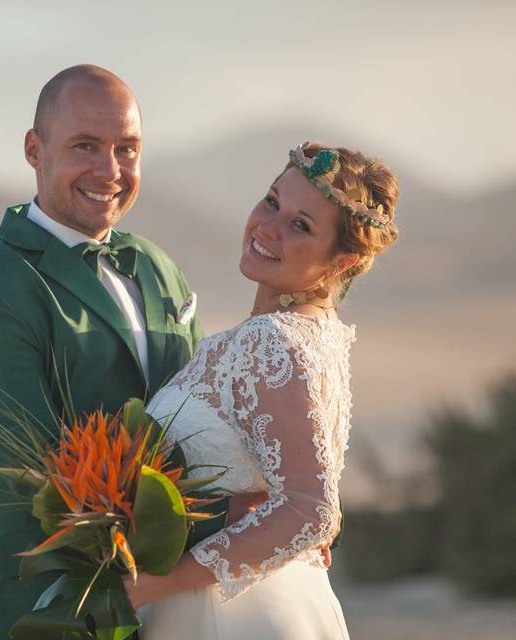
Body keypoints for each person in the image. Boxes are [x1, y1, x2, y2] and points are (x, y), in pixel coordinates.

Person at [0, 64, 214, 640]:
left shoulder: (159, 266)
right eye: (85, 146)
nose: (110, 170)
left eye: (128, 148)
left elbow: (204, 418)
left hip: (180, 599)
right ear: (34, 150)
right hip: (52, 601)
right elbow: (31, 468)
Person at [129, 142, 400, 639]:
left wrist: (153, 585)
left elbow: (312, 511)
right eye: (273, 202)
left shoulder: (271, 340)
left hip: (225, 614)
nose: (268, 227)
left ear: (340, 262)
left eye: (301, 225)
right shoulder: (315, 336)